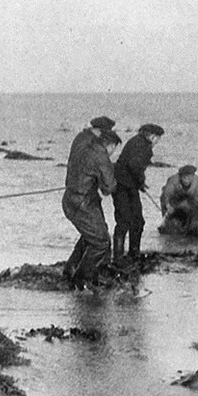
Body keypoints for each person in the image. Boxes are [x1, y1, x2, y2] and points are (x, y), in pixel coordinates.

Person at [62, 119, 120, 287]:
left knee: (92, 235)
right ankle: (82, 280)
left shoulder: (80, 140)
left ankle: (71, 269)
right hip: (84, 201)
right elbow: (109, 188)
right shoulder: (100, 154)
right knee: (101, 241)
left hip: (70, 196)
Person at [112, 123, 164, 260]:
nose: (158, 141)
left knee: (135, 221)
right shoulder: (143, 145)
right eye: (158, 138)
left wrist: (140, 182)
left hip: (126, 185)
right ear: (151, 136)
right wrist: (140, 181)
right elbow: (134, 165)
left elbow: (133, 165)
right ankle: (123, 255)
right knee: (127, 221)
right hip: (124, 186)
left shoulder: (136, 141)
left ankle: (127, 253)